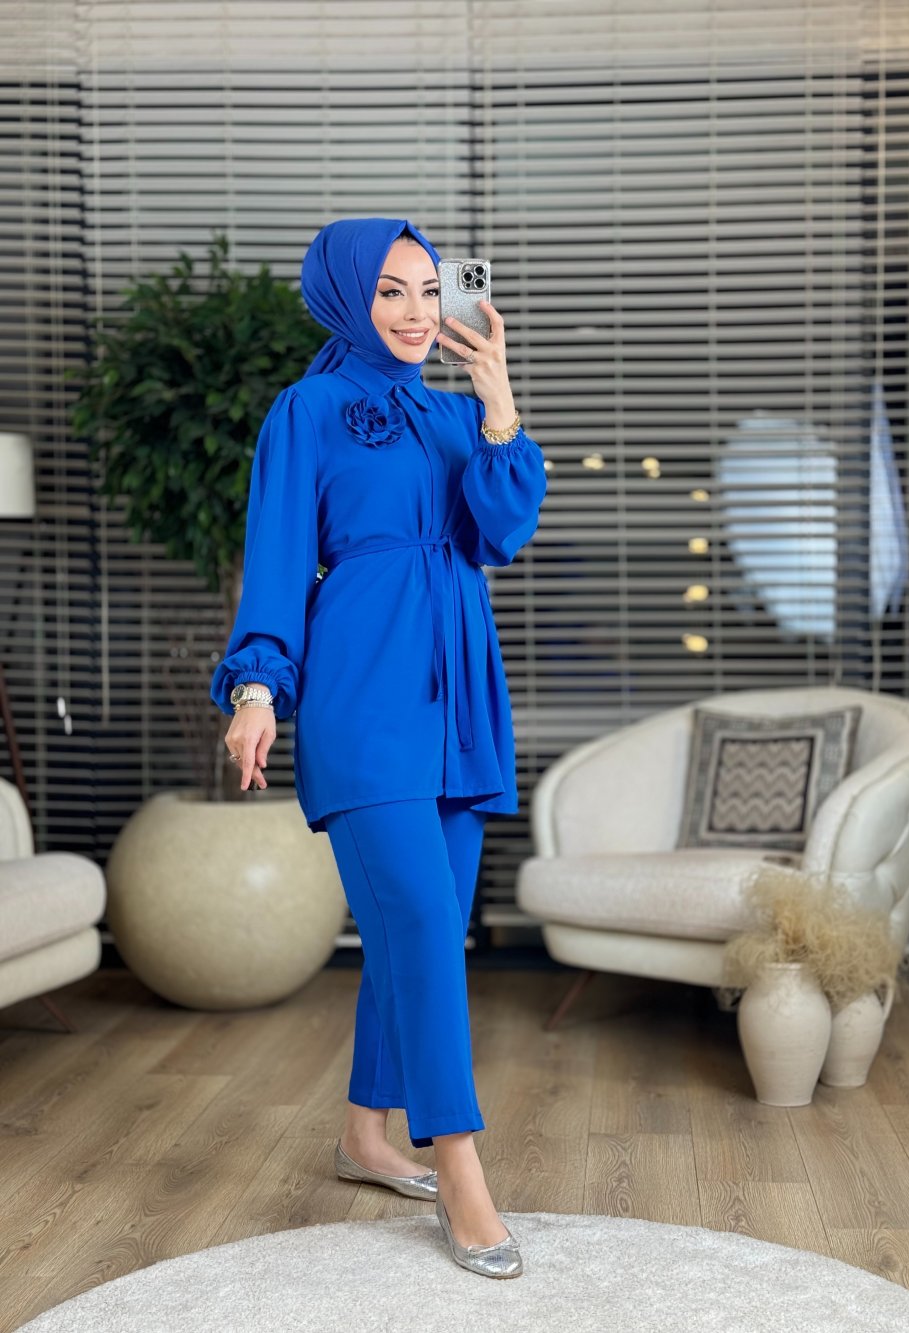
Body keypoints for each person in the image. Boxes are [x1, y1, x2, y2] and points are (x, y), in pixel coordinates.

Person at [209, 217, 547, 1278]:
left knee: (423, 932)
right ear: (347, 295)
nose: (414, 312)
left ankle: (365, 1132)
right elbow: (275, 558)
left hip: (459, 700)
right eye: (391, 290)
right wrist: (257, 688)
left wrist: (497, 403)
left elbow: (500, 534)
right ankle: (461, 1166)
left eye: (428, 290)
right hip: (363, 695)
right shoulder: (305, 412)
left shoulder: (455, 416)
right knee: (418, 919)